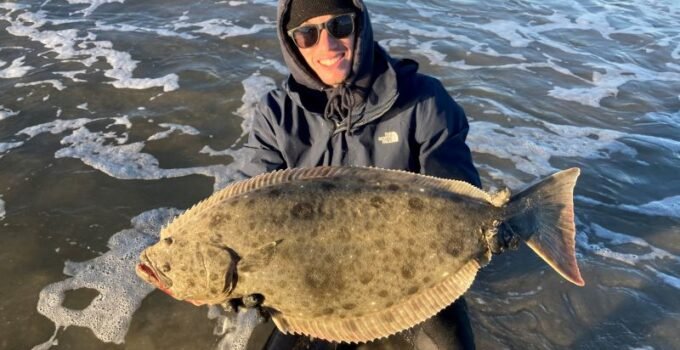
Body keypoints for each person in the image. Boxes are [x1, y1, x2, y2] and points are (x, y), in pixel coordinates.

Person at [237, 0, 480, 349]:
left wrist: (484, 224)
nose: (328, 46)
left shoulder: (425, 100)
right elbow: (247, 207)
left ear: (360, 25)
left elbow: (458, 194)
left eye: (340, 26)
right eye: (307, 34)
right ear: (291, 43)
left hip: (413, 271)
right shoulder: (276, 114)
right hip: (312, 276)